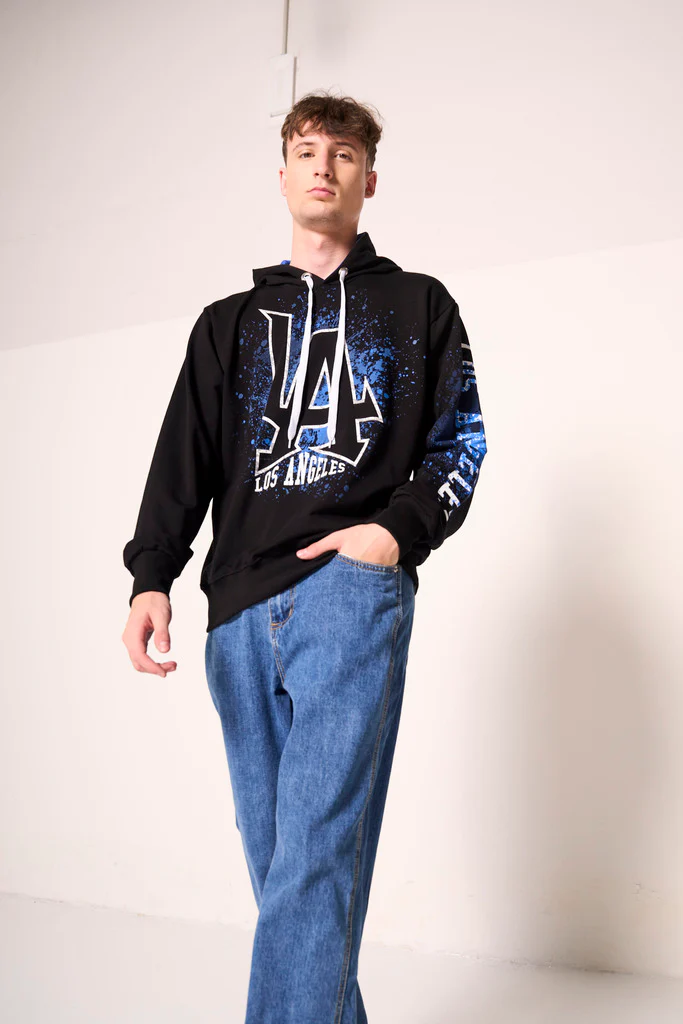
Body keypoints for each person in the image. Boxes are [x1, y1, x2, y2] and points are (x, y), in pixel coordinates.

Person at [122, 89, 488, 1024]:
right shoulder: (228, 323)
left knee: (315, 854)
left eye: (344, 154)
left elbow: (460, 442)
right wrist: (151, 577)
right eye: (306, 151)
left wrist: (389, 537)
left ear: (370, 181)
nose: (324, 166)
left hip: (347, 594)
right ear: (281, 175)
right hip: (238, 613)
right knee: (283, 862)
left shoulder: (416, 305)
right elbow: (183, 458)